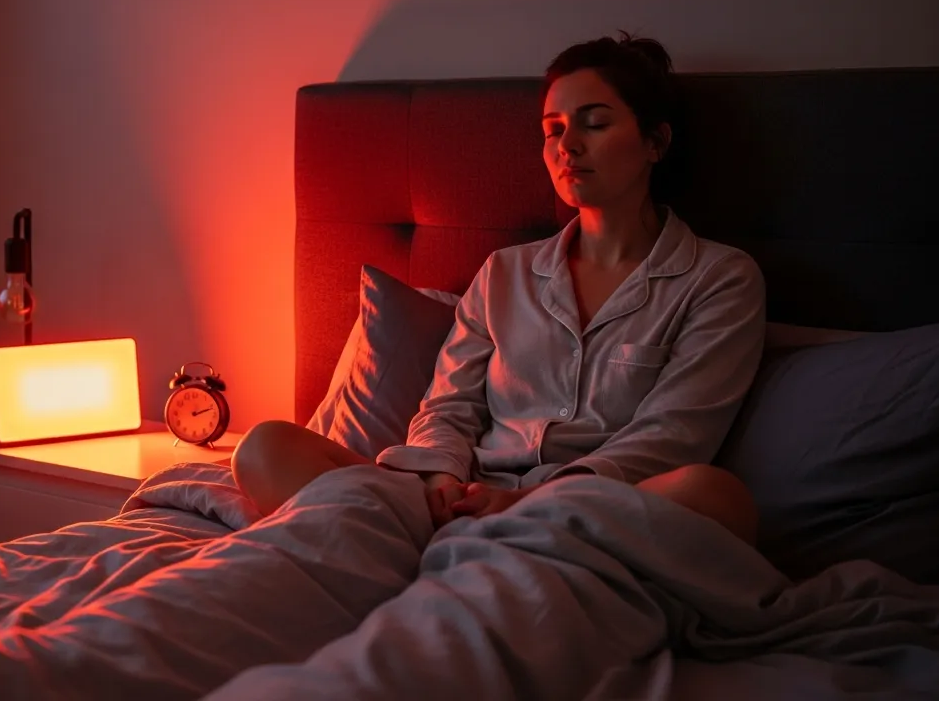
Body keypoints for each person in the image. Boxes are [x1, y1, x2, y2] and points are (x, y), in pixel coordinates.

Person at [232, 33, 766, 544]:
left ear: (656, 142)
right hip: (463, 497)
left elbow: (671, 440)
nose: (569, 146)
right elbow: (449, 406)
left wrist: (534, 502)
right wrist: (440, 481)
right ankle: (433, 541)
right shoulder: (504, 273)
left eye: (595, 123)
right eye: (553, 130)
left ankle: (433, 548)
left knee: (711, 494)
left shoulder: (718, 279)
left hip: (594, 509)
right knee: (265, 447)